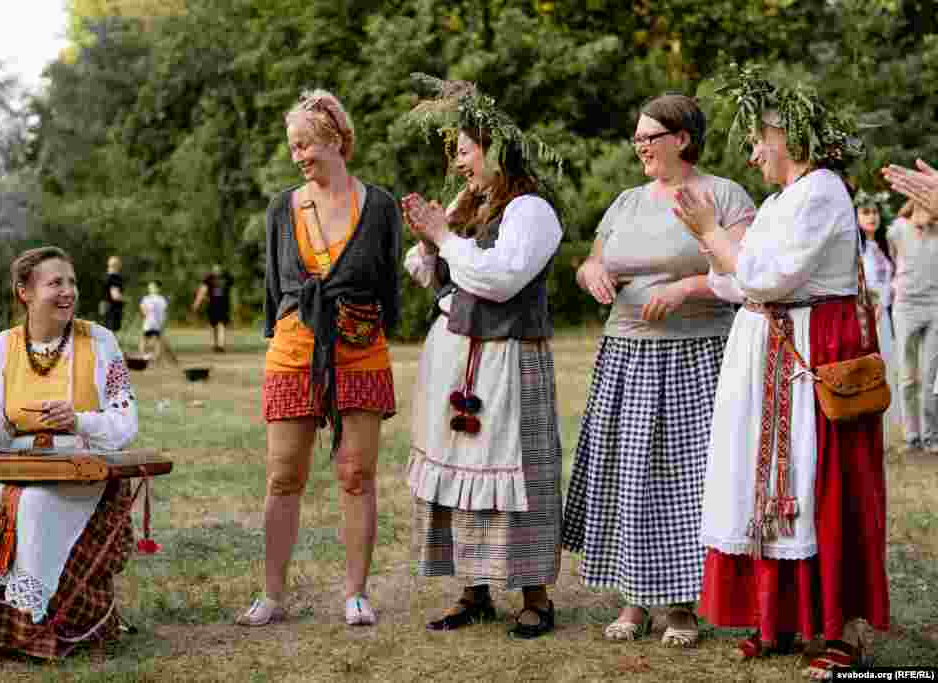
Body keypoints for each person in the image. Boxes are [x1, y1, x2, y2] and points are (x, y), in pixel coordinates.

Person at [679, 65, 888, 678]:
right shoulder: (780, 198)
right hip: (766, 346)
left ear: (787, 137)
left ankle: (838, 628)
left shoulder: (822, 189)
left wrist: (715, 233)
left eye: (757, 141)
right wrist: (709, 249)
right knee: (764, 482)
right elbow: (741, 275)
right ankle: (779, 619)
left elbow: (767, 277)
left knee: (817, 481)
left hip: (807, 348)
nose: (751, 153)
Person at [561, 94, 755, 647]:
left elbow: (747, 269)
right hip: (625, 354)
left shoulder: (723, 194)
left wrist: (687, 286)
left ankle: (682, 608)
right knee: (626, 478)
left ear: (683, 140)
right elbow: (593, 261)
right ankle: (632, 601)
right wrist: (592, 274)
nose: (640, 145)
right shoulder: (626, 201)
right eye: (638, 136)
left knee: (686, 482)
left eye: (651, 136)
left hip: (697, 354)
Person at [401, 74, 564, 639]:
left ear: (495, 150)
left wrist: (444, 236)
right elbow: (426, 274)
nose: (459, 163)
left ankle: (535, 596)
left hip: (506, 359)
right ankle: (472, 588)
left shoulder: (531, 211)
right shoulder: (470, 205)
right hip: (457, 352)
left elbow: (500, 279)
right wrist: (430, 238)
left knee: (515, 474)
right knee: (459, 475)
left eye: (466, 151)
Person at [236, 89, 401, 628]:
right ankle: (272, 595)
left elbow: (388, 282)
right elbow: (274, 285)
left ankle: (355, 594)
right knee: (284, 475)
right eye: (293, 147)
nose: (299, 155)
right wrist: (277, 329)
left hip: (360, 347)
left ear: (335, 138)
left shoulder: (377, 204)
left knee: (357, 474)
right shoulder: (281, 207)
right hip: (294, 348)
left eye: (305, 143)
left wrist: (381, 326)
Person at [0, 246, 139, 659]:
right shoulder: (2, 346)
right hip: (18, 463)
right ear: (25, 292)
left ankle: (45, 632)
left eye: (71, 282)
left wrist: (78, 421)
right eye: (56, 283)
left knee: (34, 505)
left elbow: (126, 423)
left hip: (81, 471)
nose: (68, 291)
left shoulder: (101, 341)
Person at [886, 199, 938, 452]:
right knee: (907, 376)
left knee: (931, 376)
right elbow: (892, 260)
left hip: (935, 308)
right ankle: (911, 435)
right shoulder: (897, 229)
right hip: (906, 307)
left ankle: (931, 436)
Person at [855, 190, 901, 448]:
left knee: (885, 363)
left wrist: (885, 299)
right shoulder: (857, 248)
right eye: (865, 212)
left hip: (884, 313)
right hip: (865, 314)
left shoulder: (882, 246)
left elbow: (889, 280)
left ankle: (883, 423)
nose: (872, 217)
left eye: (874, 212)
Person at [192, 264, 233, 352]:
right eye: (215, 268)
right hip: (213, 304)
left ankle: (220, 345)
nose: (216, 269)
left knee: (221, 324)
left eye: (218, 267)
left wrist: (197, 302)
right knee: (214, 325)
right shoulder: (209, 278)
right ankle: (216, 344)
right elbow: (203, 290)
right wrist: (197, 302)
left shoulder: (226, 277)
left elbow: (202, 291)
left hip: (223, 305)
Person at [138, 280, 169, 362]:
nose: (151, 288)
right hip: (151, 323)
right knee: (147, 338)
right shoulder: (148, 298)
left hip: (155, 323)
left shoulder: (159, 299)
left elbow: (164, 311)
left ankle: (154, 357)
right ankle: (146, 355)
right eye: (150, 287)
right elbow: (143, 309)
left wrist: (162, 321)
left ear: (158, 288)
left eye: (153, 287)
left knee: (154, 340)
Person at [102, 255, 125, 335]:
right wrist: (125, 299)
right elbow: (115, 295)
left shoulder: (106, 277)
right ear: (117, 265)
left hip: (106, 306)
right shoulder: (115, 278)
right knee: (111, 332)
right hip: (113, 308)